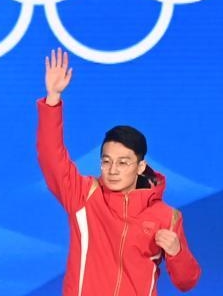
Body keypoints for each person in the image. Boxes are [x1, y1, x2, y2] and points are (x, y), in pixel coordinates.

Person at [36, 48, 202, 295]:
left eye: (123, 163)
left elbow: (186, 282)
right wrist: (53, 99)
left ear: (140, 166)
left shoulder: (166, 218)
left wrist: (177, 252)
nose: (112, 170)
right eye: (106, 161)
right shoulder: (84, 196)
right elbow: (51, 157)